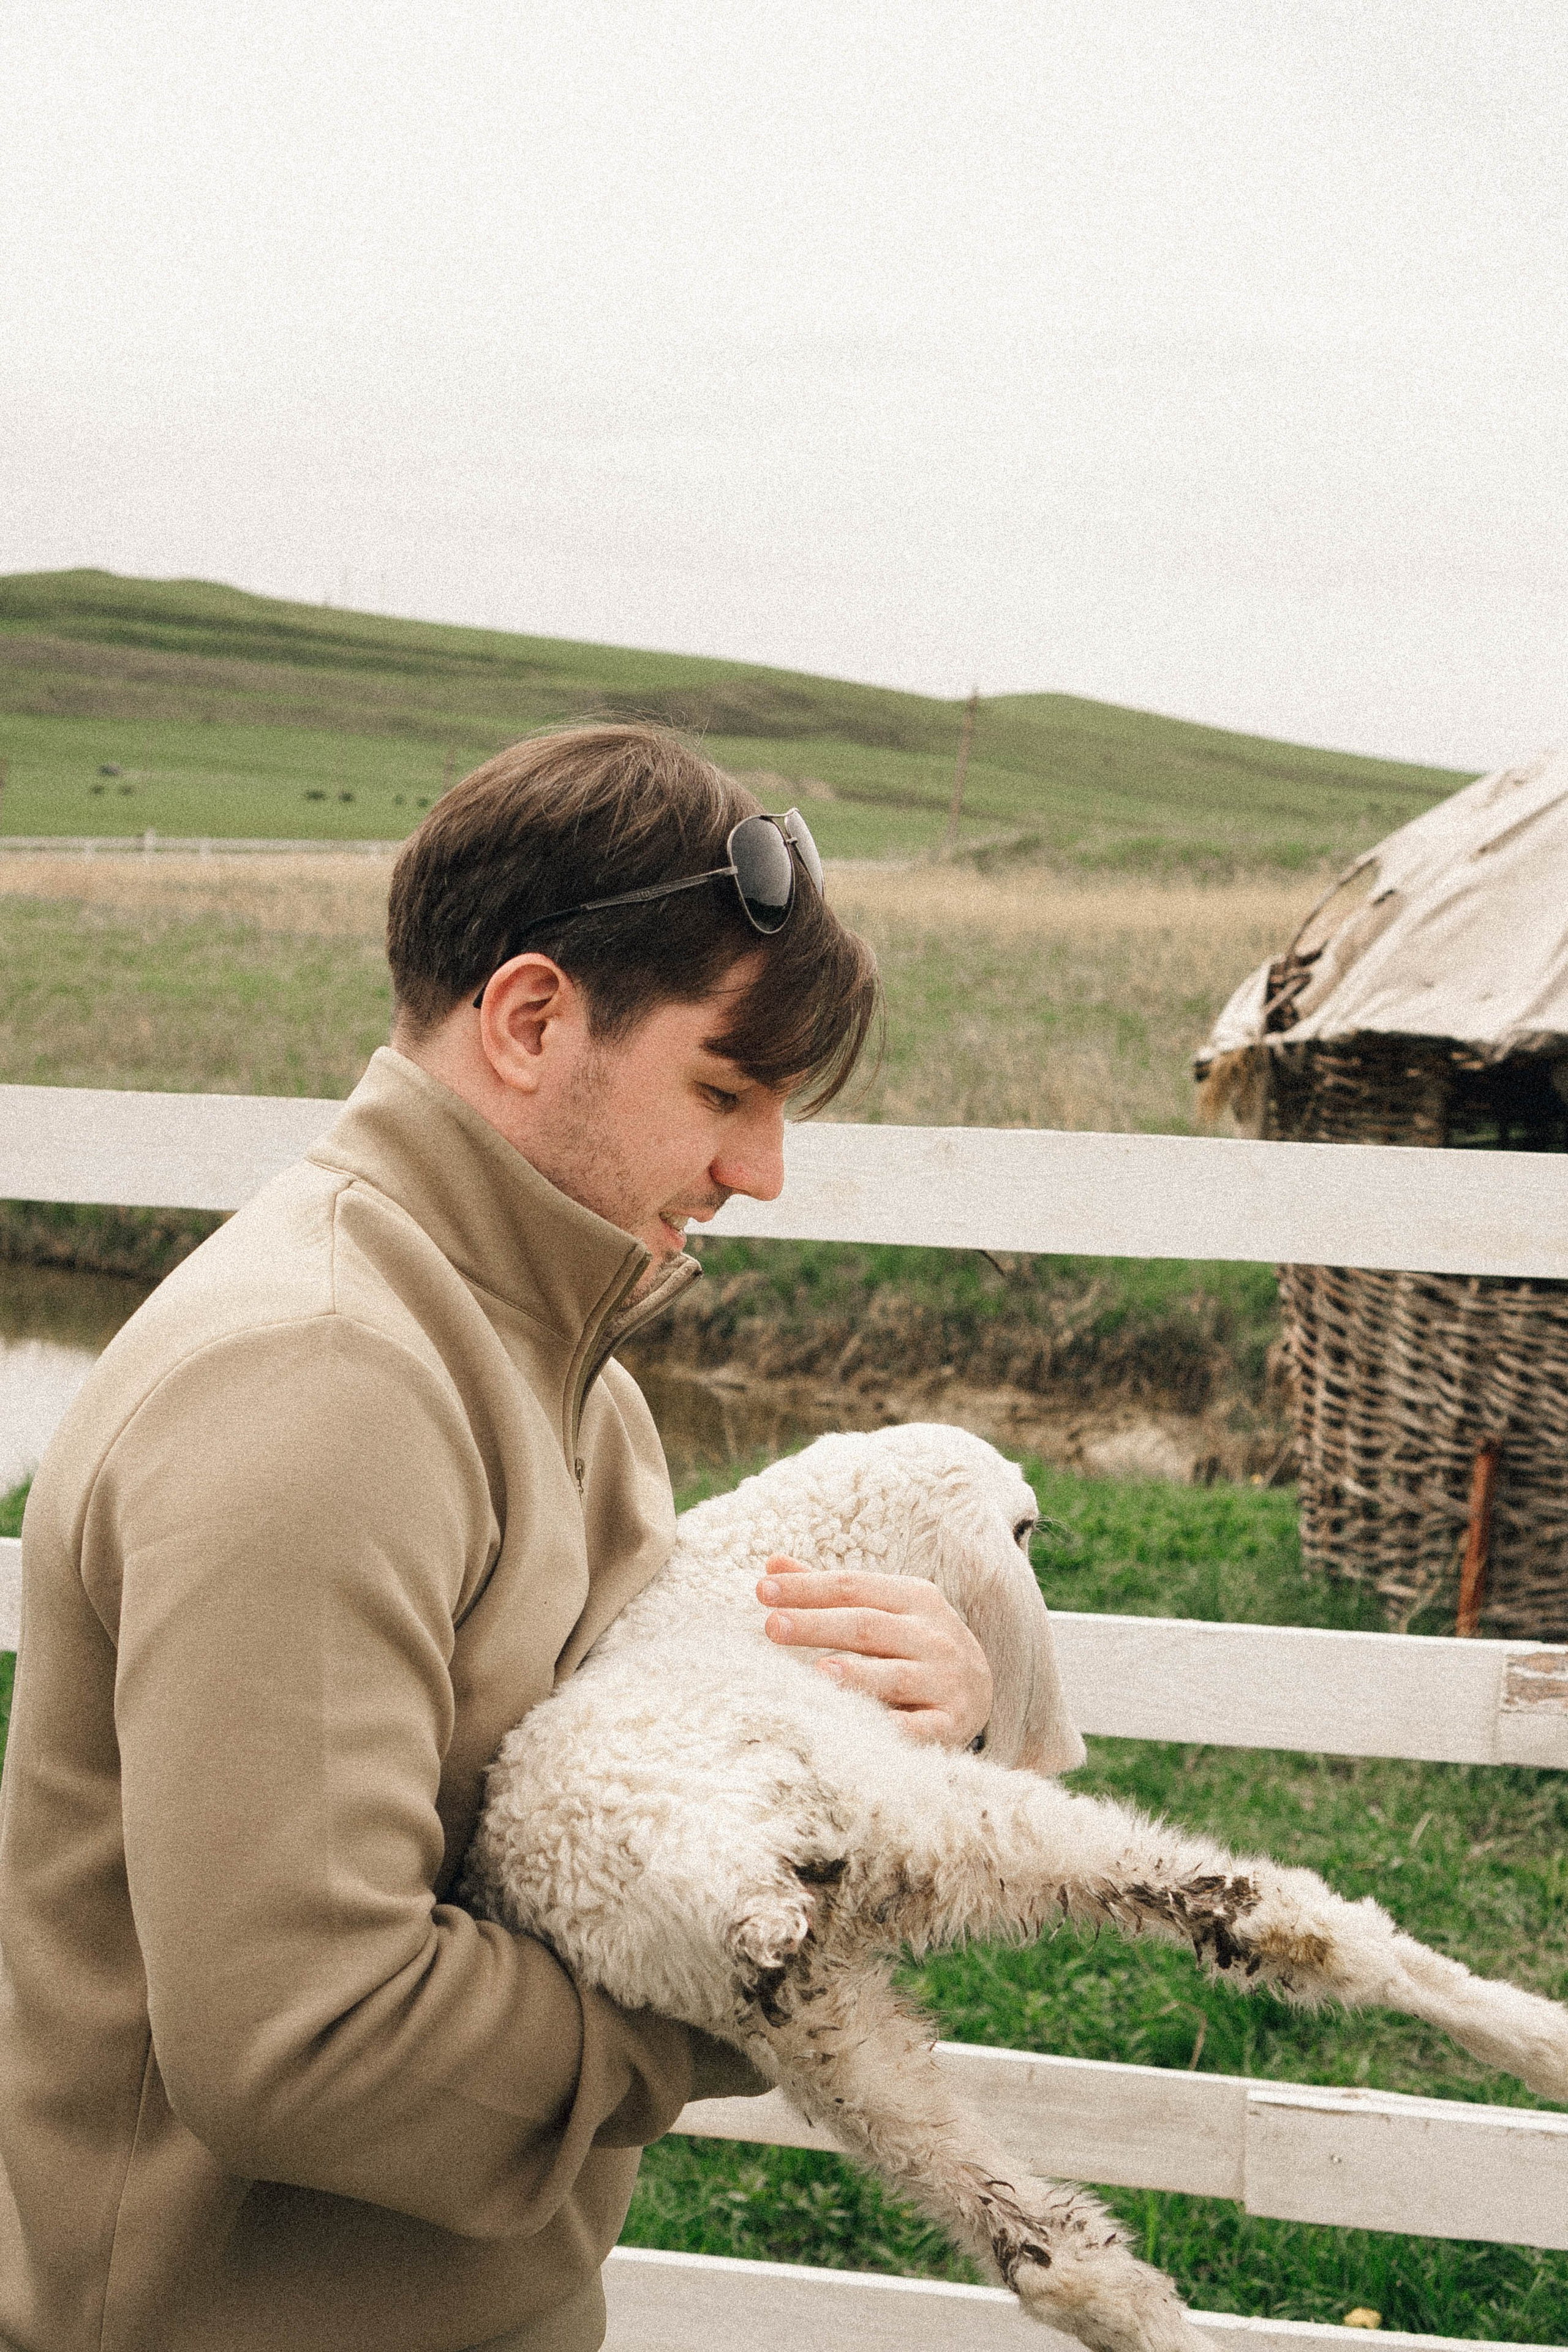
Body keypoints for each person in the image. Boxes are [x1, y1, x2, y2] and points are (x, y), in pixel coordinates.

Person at [0, 725, 993, 2352]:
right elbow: (310, 2044)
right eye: (723, 1089)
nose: (762, 1170)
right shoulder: (320, 1382)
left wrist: (906, 1741)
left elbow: (632, 1790)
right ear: (532, 1018)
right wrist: (743, 1996)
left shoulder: (555, 1375)